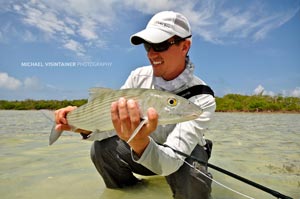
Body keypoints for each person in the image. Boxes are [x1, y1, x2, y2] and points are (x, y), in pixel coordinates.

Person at [54, 11, 216, 199]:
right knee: (101, 149)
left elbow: (171, 161)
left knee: (194, 176)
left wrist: (139, 141)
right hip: (142, 153)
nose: (152, 53)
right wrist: (80, 126)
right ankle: (133, 192)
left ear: (185, 46)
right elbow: (111, 126)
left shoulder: (202, 98)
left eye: (161, 45)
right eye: (148, 46)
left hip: (180, 157)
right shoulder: (138, 77)